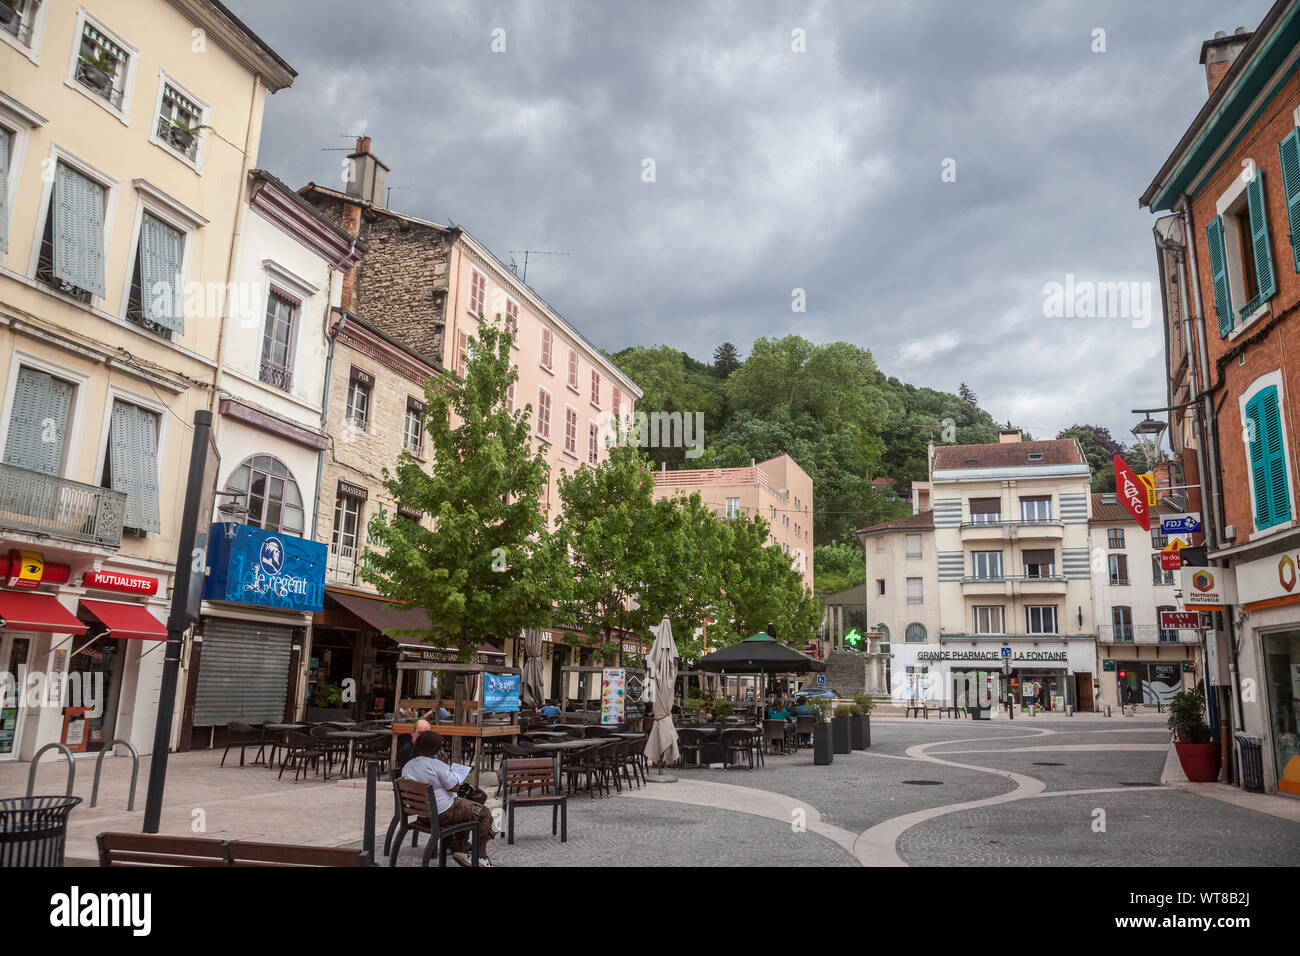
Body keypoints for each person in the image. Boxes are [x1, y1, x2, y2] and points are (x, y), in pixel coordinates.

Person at [401, 731, 495, 866]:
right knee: (484, 813)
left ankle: (460, 846)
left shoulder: (408, 766)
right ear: (436, 748)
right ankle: (480, 857)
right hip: (443, 813)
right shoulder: (436, 765)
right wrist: (447, 765)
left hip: (423, 815)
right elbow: (455, 787)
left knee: (468, 806)